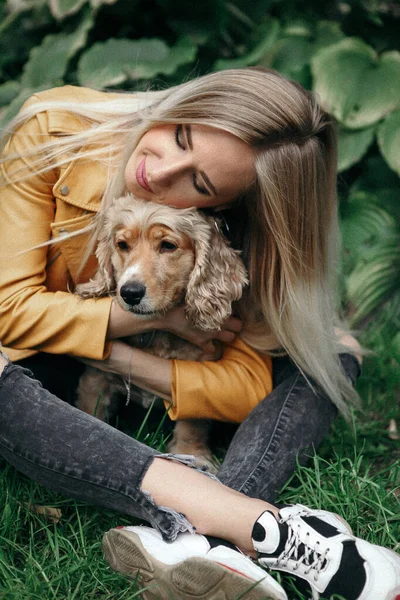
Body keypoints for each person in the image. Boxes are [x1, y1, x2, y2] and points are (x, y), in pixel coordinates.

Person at [0, 68, 398, 599]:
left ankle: (196, 547)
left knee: (329, 351)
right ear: (183, 103)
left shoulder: (236, 228)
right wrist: (153, 318)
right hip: (38, 361)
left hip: (153, 365)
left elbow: (246, 385)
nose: (157, 171)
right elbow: (8, 309)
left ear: (222, 208)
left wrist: (128, 362)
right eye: (180, 135)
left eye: (199, 184)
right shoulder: (54, 127)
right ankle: (253, 526)